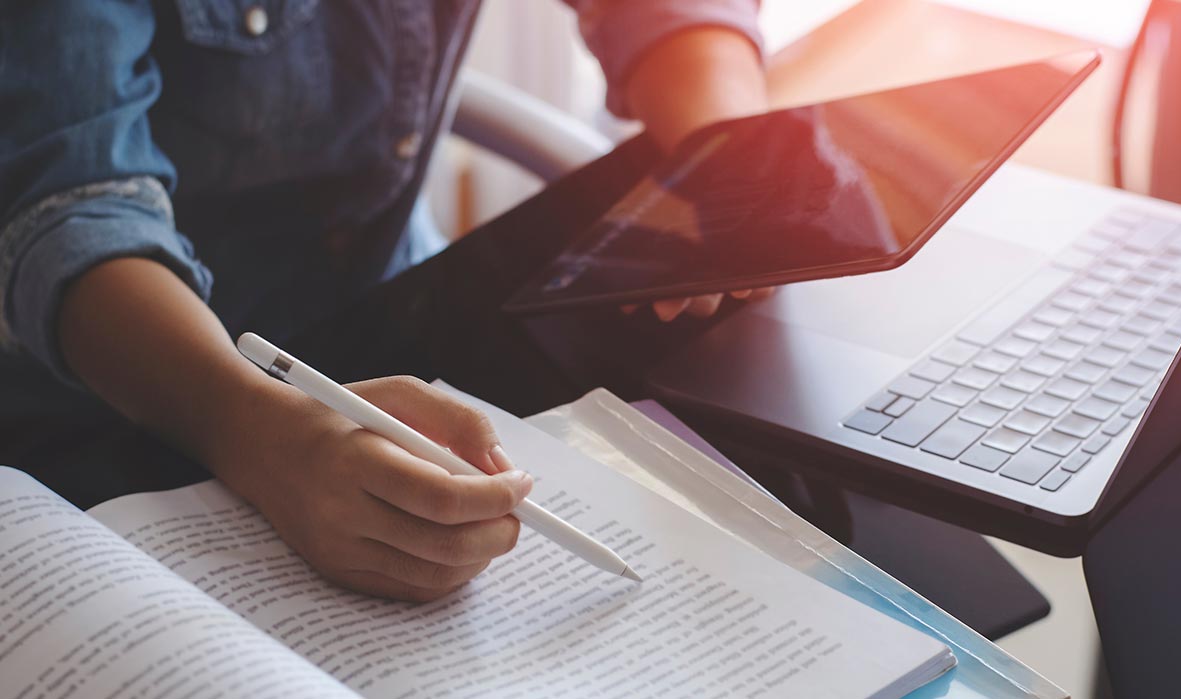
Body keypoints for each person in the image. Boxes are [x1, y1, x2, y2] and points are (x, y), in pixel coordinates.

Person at [0, 1, 771, 601]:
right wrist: (256, 431)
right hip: (125, 389)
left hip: (400, 304)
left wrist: (730, 157)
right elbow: (68, 207)